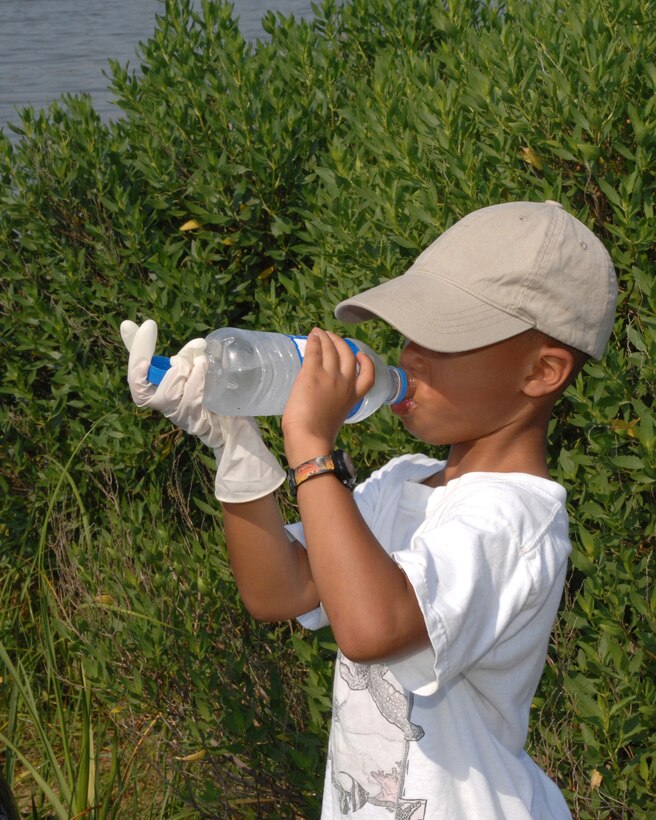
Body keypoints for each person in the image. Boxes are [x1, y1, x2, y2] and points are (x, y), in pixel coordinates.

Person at [122, 200, 618, 819]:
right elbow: (280, 590)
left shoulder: (518, 523)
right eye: (412, 333)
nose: (409, 356)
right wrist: (238, 452)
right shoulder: (403, 481)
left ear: (542, 371)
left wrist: (311, 450)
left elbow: (371, 629)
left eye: (446, 336)